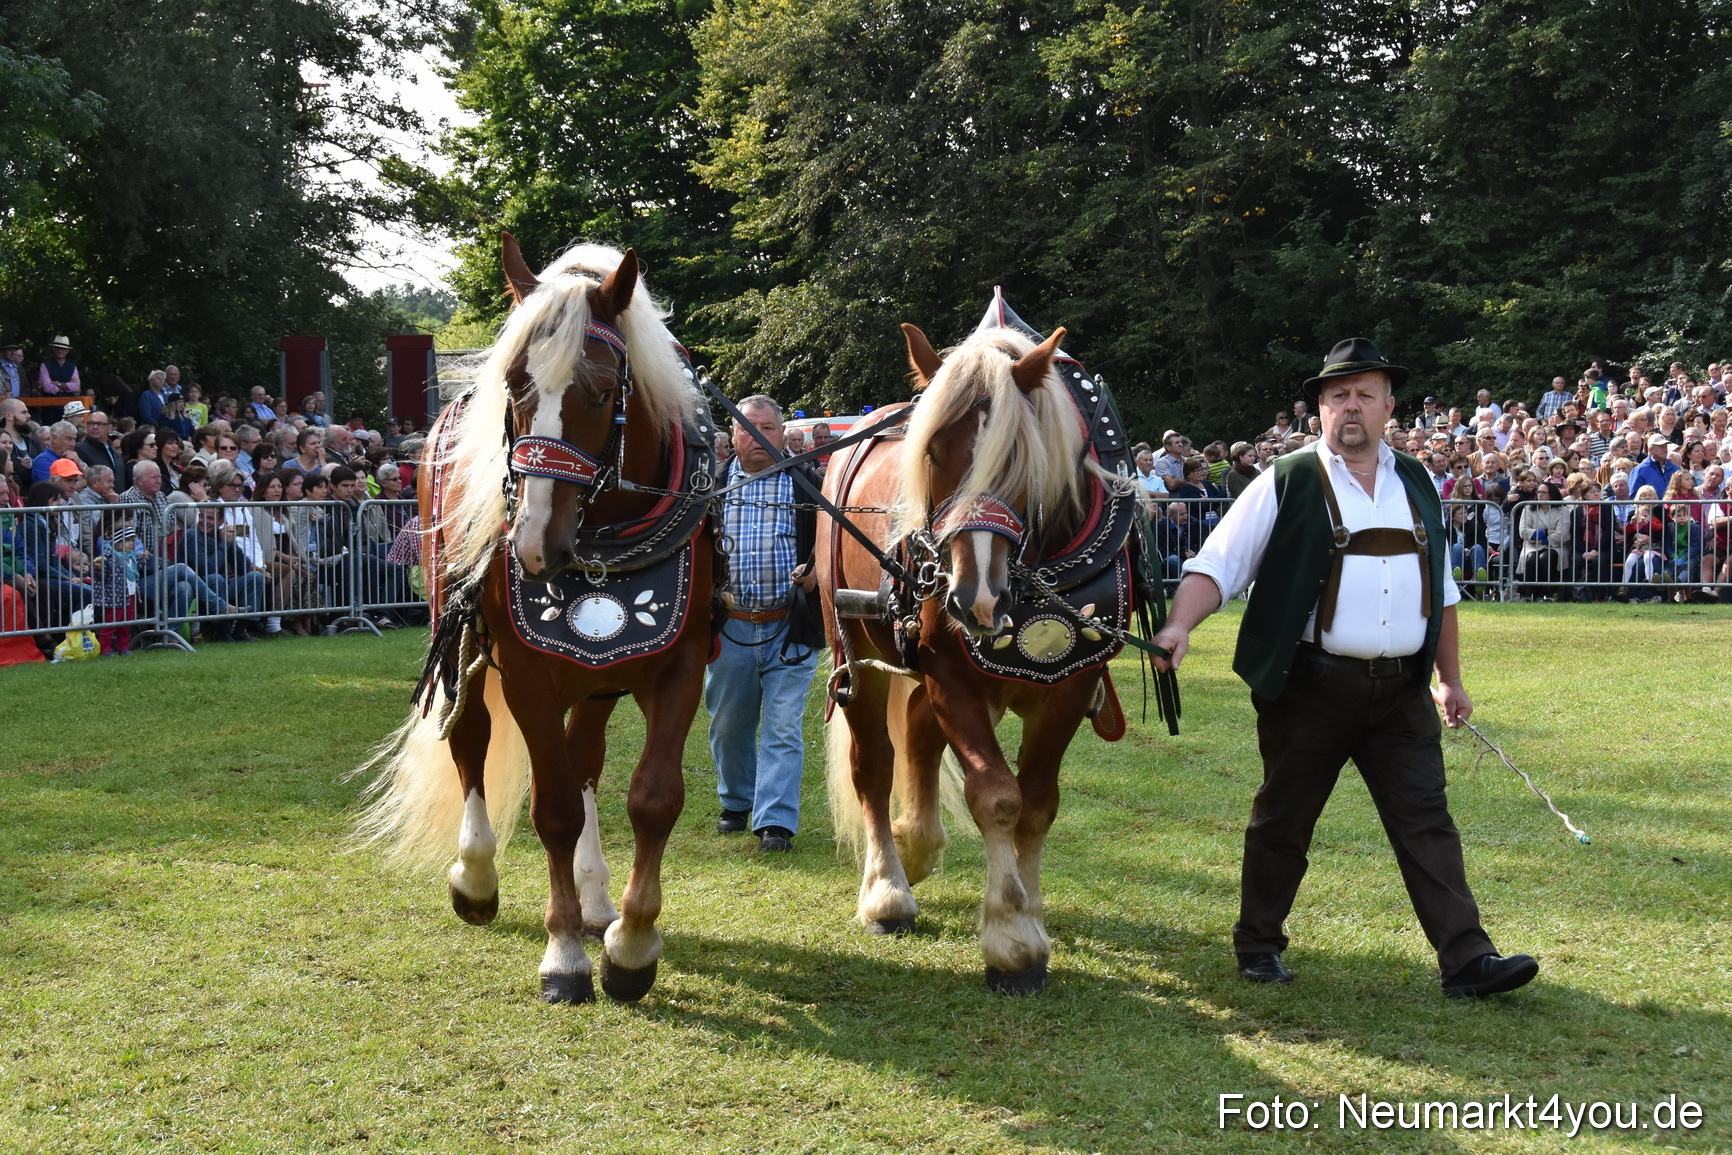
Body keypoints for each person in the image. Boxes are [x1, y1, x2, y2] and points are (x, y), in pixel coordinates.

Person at [1150, 336, 1537, 1000]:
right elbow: (1218, 564)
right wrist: (1181, 623)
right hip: (1310, 687)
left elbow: (1439, 587)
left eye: (1364, 393)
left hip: (1400, 694)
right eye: (1337, 396)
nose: (1350, 406)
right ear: (1318, 410)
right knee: (1285, 819)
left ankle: (1468, 958)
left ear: (1389, 404)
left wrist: (1451, 677)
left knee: (1427, 821)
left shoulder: (1417, 480)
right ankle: (1258, 943)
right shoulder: (1290, 477)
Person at [707, 394, 822, 853]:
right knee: (728, 725)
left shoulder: (808, 485)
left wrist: (817, 574)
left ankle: (775, 821)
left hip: (788, 630)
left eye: (767, 429)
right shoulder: (711, 489)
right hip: (730, 628)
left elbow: (832, 547)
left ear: (781, 433)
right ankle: (737, 802)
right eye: (747, 429)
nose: (757, 437)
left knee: (783, 727)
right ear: (733, 436)